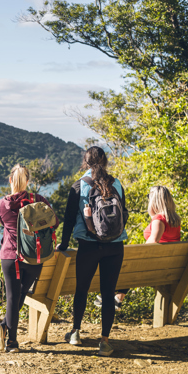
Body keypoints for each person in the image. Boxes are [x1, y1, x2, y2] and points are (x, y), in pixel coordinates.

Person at [57, 146, 128, 357]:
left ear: (85, 162)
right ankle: (104, 341)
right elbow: (124, 214)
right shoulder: (117, 184)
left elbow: (69, 219)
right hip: (115, 246)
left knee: (82, 289)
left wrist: (63, 243)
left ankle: (76, 333)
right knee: (108, 293)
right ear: (105, 161)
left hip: (88, 245)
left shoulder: (79, 185)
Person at [0, 163, 59, 353]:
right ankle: (5, 326)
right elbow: (53, 224)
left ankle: (11, 341)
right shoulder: (39, 201)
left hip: (10, 256)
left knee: (13, 297)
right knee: (20, 294)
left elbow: (3, 224)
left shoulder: (1, 205)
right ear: (28, 181)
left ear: (10, 181)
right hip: (33, 257)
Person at [96, 185, 181, 309]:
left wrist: (138, 254)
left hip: (154, 267)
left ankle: (113, 295)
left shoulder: (159, 219)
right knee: (133, 265)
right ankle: (116, 297)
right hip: (168, 267)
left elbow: (152, 243)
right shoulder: (174, 220)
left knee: (131, 263)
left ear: (155, 200)